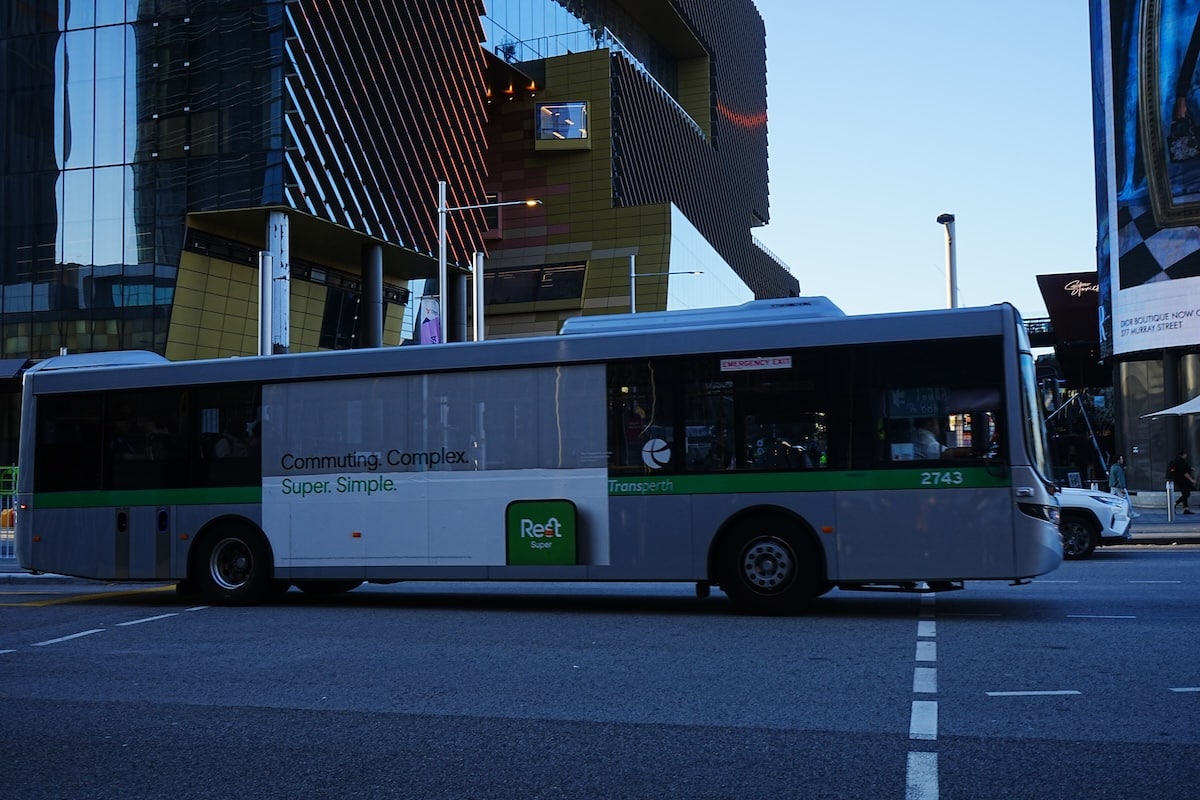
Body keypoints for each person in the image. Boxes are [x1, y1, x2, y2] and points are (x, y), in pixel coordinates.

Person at [1167, 450, 1195, 514]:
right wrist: (1191, 480)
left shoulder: (1177, 461)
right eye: (1185, 455)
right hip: (1183, 481)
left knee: (1184, 494)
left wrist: (1190, 469)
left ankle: (1186, 509)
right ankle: (1174, 504)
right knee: (1187, 494)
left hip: (1178, 480)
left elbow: (1180, 469)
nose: (1186, 456)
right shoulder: (1181, 461)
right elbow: (1184, 473)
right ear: (1182, 455)